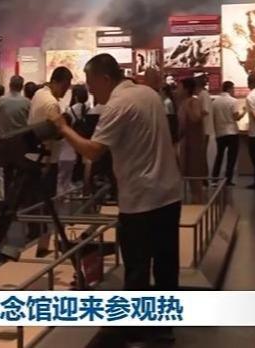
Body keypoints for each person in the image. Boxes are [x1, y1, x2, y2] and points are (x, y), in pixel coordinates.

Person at [51, 53, 181, 344]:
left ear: (105, 78)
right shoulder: (148, 94)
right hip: (168, 194)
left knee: (137, 266)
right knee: (166, 263)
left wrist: (63, 128)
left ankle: (133, 329)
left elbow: (94, 151)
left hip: (141, 199)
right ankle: (164, 327)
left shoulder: (118, 105)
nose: (90, 89)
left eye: (91, 82)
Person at [26, 67, 73, 253]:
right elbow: (50, 136)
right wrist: (46, 163)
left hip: (33, 156)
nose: (66, 91)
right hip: (46, 160)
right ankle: (42, 244)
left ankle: (36, 237)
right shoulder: (52, 104)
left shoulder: (39, 94)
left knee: (35, 202)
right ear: (57, 82)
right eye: (65, 86)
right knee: (47, 205)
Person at [56, 84, 90, 197]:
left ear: (74, 96)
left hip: (71, 144)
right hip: (85, 143)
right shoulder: (90, 109)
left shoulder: (70, 110)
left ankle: (62, 195)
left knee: (62, 177)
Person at [212, 81, 245, 185]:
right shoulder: (233, 101)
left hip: (220, 132)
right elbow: (236, 117)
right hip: (232, 132)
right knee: (231, 158)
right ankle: (228, 179)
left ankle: (214, 178)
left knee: (219, 156)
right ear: (230, 89)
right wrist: (244, 112)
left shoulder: (215, 102)